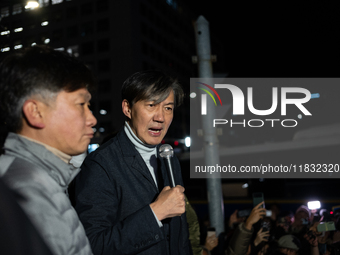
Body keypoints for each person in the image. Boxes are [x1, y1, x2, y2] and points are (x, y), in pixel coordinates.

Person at [72, 70, 192, 255]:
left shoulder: (168, 158)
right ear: (127, 108)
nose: (160, 117)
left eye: (168, 108)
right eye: (151, 105)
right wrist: (155, 214)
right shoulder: (100, 164)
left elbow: (180, 236)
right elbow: (93, 245)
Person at [0, 45, 97, 255]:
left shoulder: (41, 178)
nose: (92, 119)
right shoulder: (25, 191)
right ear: (36, 112)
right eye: (81, 104)